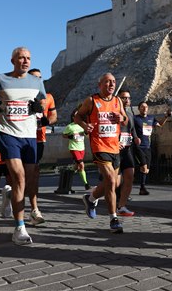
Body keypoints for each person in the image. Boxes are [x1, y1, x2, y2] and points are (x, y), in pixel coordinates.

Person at [0, 46, 46, 245]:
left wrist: (39, 107)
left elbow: (43, 103)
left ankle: (9, 195)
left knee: (27, 180)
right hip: (8, 133)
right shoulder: (1, 79)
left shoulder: (37, 81)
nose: (25, 61)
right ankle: (20, 228)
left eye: (28, 58)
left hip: (29, 136)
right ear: (13, 60)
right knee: (19, 177)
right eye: (21, 58)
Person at [75, 73, 127, 234]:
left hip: (115, 147)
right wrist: (85, 126)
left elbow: (125, 119)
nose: (111, 84)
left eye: (113, 82)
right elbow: (77, 116)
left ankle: (90, 199)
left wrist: (121, 118)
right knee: (110, 180)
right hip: (99, 146)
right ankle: (113, 219)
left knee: (113, 182)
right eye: (107, 82)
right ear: (100, 85)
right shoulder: (91, 100)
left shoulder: (117, 101)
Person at [27, 68, 57, 225]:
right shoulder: (21, 95)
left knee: (34, 174)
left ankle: (34, 209)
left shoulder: (48, 97)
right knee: (18, 176)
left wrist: (47, 121)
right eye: (34, 77)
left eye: (40, 77)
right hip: (20, 138)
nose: (37, 80)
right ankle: (10, 195)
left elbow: (54, 116)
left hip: (38, 140)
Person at [116, 89, 146, 217]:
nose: (127, 100)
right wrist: (114, 142)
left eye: (128, 98)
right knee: (115, 182)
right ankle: (93, 196)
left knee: (129, 177)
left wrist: (136, 137)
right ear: (118, 99)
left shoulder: (130, 113)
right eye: (123, 98)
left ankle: (121, 207)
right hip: (115, 150)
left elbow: (131, 129)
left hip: (127, 149)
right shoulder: (113, 112)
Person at [133, 101, 170, 195]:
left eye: (146, 107)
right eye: (142, 107)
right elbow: (129, 128)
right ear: (139, 109)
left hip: (147, 147)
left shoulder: (151, 118)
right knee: (144, 167)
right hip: (138, 147)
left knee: (146, 170)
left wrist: (166, 116)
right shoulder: (135, 118)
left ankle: (140, 185)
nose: (144, 108)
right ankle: (142, 188)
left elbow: (160, 124)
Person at [62, 109, 90, 190]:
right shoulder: (70, 126)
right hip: (73, 148)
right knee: (81, 165)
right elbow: (63, 135)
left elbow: (87, 136)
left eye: (79, 116)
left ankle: (68, 173)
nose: (78, 117)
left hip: (81, 148)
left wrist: (86, 132)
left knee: (77, 166)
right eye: (76, 116)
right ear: (73, 117)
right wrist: (70, 136)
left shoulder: (83, 125)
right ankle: (86, 184)